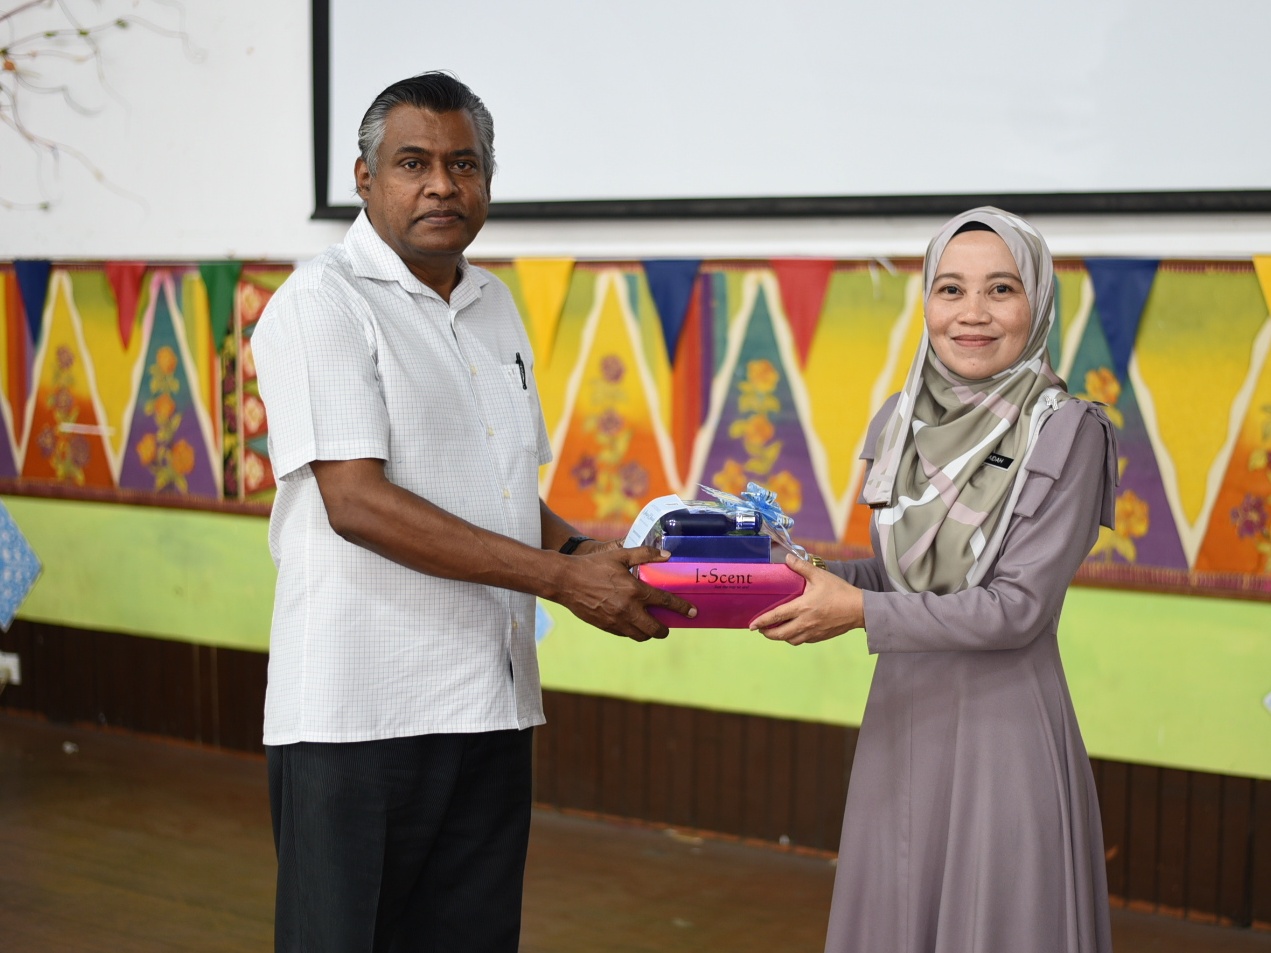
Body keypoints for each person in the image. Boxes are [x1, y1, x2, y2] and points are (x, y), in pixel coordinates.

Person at [251, 71, 695, 953]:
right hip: (358, 710)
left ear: (488, 179)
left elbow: (502, 488)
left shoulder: (493, 304)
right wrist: (561, 580)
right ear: (364, 178)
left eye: (463, 164)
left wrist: (590, 551)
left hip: (490, 701)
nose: (441, 186)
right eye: (412, 163)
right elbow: (357, 502)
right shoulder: (320, 303)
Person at [751, 207, 1117, 953]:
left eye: (1000, 289)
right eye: (950, 289)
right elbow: (896, 577)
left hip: (1002, 733)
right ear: (926, 301)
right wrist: (788, 575)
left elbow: (1015, 608)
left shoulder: (1067, 430)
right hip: (901, 719)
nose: (971, 313)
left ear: (1038, 302)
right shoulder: (901, 418)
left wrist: (858, 610)